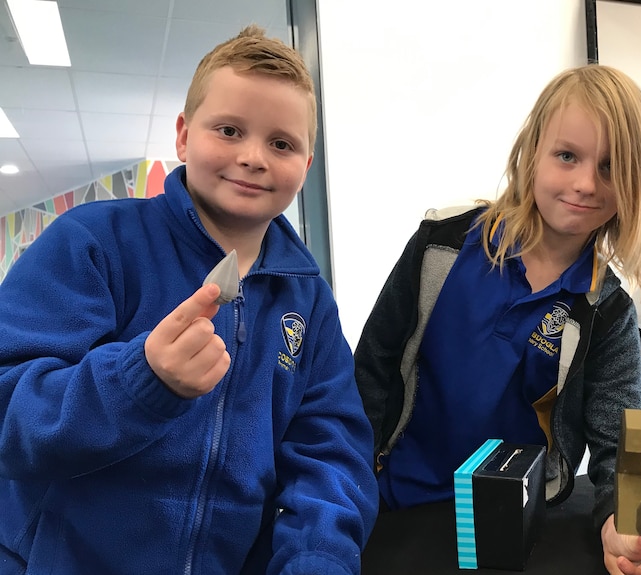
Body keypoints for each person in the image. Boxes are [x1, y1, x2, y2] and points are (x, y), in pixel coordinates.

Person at [0, 25, 377, 575]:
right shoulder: (95, 243)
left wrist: (317, 559)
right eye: (228, 130)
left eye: (281, 143)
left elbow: (330, 453)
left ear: (307, 164)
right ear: (182, 136)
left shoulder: (309, 301)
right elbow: (9, 407)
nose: (253, 157)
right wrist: (140, 382)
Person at [354, 65, 641, 575]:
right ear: (531, 152)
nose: (585, 183)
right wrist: (343, 490)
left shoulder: (608, 309)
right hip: (398, 507)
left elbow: (630, 436)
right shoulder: (439, 246)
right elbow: (369, 374)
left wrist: (637, 523)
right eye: (567, 156)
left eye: (610, 168)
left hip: (518, 526)